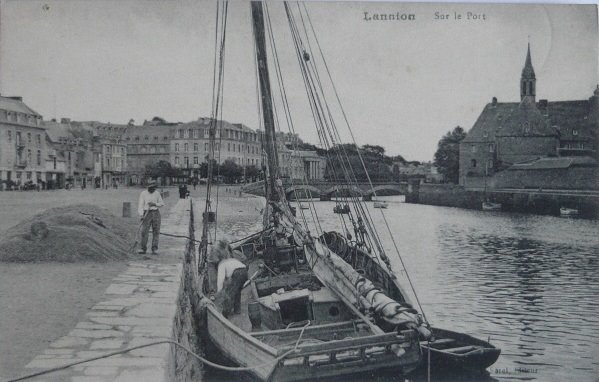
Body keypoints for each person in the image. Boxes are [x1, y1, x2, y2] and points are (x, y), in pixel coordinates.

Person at [215, 248, 248, 318]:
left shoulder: (221, 264)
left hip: (237, 273)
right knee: (237, 292)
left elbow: (220, 280)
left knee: (230, 293)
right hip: (245, 272)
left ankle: (225, 314)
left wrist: (219, 292)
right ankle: (237, 310)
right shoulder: (231, 260)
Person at [137, 181, 164, 255]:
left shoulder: (157, 193)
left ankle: (154, 249)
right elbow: (140, 205)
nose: (152, 189)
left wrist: (154, 204)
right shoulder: (143, 193)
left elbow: (162, 204)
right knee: (144, 231)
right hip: (147, 213)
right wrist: (141, 215)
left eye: (153, 188)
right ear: (148, 187)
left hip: (156, 213)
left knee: (156, 231)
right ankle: (143, 248)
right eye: (150, 188)